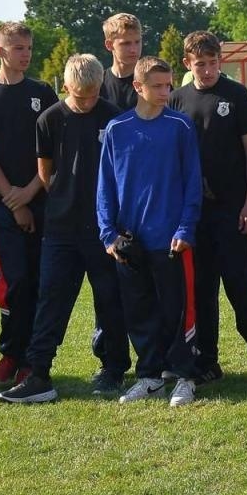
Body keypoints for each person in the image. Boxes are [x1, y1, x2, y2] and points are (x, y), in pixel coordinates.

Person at [0, 54, 129, 403]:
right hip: (60, 228)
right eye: (80, 95)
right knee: (51, 301)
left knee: (110, 299)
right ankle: (39, 373)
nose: (86, 102)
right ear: (66, 86)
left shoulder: (113, 117)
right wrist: (64, 196)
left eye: (93, 95)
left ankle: (114, 368)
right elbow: (45, 171)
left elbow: (121, 170)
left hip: (103, 228)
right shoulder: (49, 119)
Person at [171, 31, 247, 385]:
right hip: (195, 214)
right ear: (187, 64)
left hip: (233, 210)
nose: (207, 70)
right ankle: (208, 360)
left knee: (239, 285)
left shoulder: (235, 94)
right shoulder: (176, 100)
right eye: (200, 64)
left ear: (221, 61)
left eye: (213, 62)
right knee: (202, 290)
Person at [99, 57, 203, 407]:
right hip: (129, 240)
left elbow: (192, 182)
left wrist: (186, 227)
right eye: (157, 86)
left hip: (171, 238)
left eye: (168, 85)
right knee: (138, 310)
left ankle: (185, 377)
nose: (165, 91)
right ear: (138, 87)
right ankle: (149, 376)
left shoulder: (180, 126)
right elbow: (105, 185)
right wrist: (108, 233)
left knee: (177, 310)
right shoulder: (117, 128)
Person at [0, 21, 60, 385]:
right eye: (18, 48)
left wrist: (32, 191)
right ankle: (10, 354)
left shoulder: (42, 92)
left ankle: (34, 359)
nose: (26, 54)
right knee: (13, 281)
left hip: (41, 201)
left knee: (40, 282)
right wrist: (14, 202)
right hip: (3, 206)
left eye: (29, 48)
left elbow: (55, 150)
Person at [100, 12, 142, 112]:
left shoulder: (155, 82)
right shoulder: (99, 84)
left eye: (137, 42)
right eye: (126, 43)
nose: (134, 49)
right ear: (109, 45)